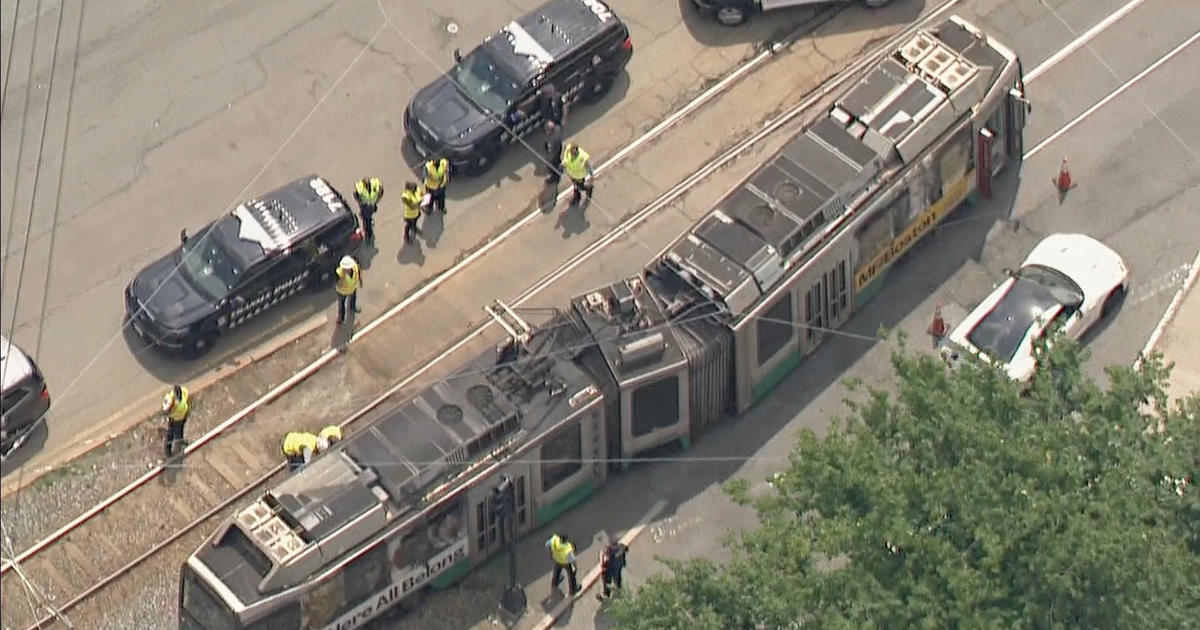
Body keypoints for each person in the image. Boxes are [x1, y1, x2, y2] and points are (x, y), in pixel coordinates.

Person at [161, 384, 190, 459]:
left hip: (182, 419)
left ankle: (180, 444)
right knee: (171, 435)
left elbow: (186, 399)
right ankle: (168, 452)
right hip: (174, 420)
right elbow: (165, 410)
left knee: (179, 433)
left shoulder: (183, 393)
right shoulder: (169, 399)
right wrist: (170, 411)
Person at [353, 177, 384, 242]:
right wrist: (360, 202)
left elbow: (381, 190)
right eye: (366, 184)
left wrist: (377, 200)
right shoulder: (360, 188)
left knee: (368, 217)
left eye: (368, 184)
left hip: (372, 204)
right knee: (367, 220)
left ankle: (368, 228)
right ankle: (368, 232)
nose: (368, 185)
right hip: (365, 206)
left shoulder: (374, 185)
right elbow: (355, 194)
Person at [334, 255, 361, 325]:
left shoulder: (355, 266)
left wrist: (360, 282)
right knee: (342, 306)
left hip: (352, 288)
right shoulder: (339, 273)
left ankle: (352, 308)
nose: (347, 269)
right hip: (342, 292)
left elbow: (358, 273)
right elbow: (337, 282)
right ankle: (341, 319)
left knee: (353, 299)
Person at [543, 120, 564, 185]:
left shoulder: (552, 138)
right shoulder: (558, 128)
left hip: (554, 150)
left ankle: (555, 177)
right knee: (558, 159)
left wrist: (549, 158)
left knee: (552, 164)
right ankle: (560, 168)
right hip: (558, 147)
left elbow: (551, 149)